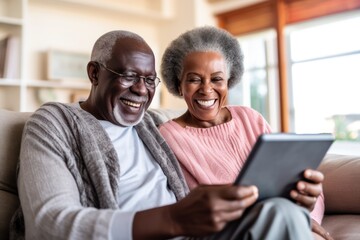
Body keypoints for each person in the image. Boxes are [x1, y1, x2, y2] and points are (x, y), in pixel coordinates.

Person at [11, 30, 312, 240]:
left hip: (196, 236)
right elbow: (48, 225)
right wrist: (173, 218)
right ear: (94, 74)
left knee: (281, 213)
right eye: (128, 76)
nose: (141, 89)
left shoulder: (151, 125)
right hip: (155, 232)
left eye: (148, 79)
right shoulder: (54, 122)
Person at [159, 26, 333, 240]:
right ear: (179, 84)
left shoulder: (250, 118)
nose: (206, 89)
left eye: (216, 79)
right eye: (194, 79)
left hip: (283, 221)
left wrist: (307, 214)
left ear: (228, 81)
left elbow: (303, 188)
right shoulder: (167, 136)